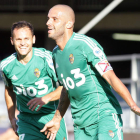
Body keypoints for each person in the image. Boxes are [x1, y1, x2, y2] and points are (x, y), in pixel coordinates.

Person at [40, 4, 140, 140]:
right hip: (81, 125)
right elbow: (66, 89)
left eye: (54, 19)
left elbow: (110, 76)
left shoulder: (85, 44)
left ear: (69, 24)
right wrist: (57, 119)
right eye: (48, 19)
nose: (48, 23)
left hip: (104, 116)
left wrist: (132, 105)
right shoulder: (55, 54)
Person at [0, 21, 68, 140]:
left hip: (51, 115)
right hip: (26, 120)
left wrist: (46, 98)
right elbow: (9, 89)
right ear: (12, 41)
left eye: (26, 39)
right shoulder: (6, 66)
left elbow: (66, 86)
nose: (22, 43)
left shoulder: (46, 59)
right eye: (18, 39)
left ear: (33, 39)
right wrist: (11, 117)